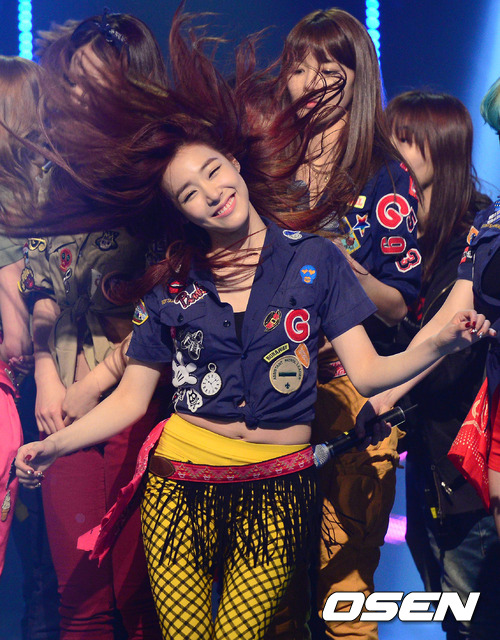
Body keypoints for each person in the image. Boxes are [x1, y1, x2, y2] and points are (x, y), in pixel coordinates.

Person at [12, 12, 494, 640]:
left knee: (305, 615)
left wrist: (442, 340)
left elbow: (373, 369)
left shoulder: (320, 255)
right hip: (181, 483)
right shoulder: (176, 281)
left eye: (214, 171)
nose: (210, 192)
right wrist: (52, 444)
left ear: (237, 164)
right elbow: (131, 397)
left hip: (284, 476)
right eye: (189, 192)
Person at [263, 9, 421, 639]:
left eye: (328, 67)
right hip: (269, 394)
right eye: (298, 67)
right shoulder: (267, 165)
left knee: (345, 596)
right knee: (270, 599)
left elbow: (400, 304)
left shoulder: (385, 172)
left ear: (358, 76)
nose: (311, 82)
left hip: (352, 396)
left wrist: (343, 268)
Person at [13, 12, 169, 640]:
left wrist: (96, 381)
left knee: (141, 598)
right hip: (64, 397)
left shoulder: (161, 170)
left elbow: (171, 299)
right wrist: (49, 376)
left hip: (146, 394)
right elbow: (38, 281)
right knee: (77, 597)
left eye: (91, 78)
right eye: (71, 79)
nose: (76, 93)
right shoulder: (53, 169)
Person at [366, 77, 500, 640]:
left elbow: (451, 339)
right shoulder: (387, 237)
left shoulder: (480, 231)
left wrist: (385, 395)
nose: (386, 154)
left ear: (439, 147)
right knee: (451, 618)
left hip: (471, 465)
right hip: (423, 464)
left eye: (401, 140)